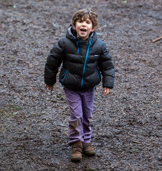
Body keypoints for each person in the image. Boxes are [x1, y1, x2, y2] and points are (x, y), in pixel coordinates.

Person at [44, 8, 115, 161]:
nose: (84, 25)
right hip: (71, 86)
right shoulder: (64, 43)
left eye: (87, 22)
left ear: (93, 28)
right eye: (80, 22)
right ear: (74, 25)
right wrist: (50, 80)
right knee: (77, 115)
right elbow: (52, 61)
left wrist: (107, 83)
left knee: (87, 116)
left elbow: (107, 65)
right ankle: (76, 143)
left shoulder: (99, 45)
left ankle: (86, 141)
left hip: (89, 86)